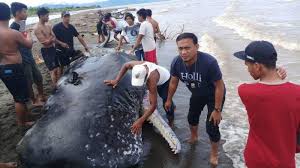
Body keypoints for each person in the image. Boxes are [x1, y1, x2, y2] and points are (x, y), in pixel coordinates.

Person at [234, 41, 300, 168]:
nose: (248, 70)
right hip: (285, 162)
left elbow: (264, 89)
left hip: (256, 160)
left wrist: (276, 73)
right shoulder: (298, 93)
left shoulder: (245, 91)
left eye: (248, 65)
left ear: (258, 66)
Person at [164, 33, 225, 166]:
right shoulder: (176, 62)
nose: (183, 52)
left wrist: (217, 109)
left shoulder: (209, 62)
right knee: (192, 117)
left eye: (187, 48)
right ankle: (194, 136)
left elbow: (219, 86)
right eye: (180, 48)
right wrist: (168, 99)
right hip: (197, 93)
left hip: (213, 94)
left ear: (196, 47)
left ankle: (214, 154)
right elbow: (173, 82)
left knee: (212, 126)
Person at [104, 61, 176, 133]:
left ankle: (171, 122)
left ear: (146, 75)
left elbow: (153, 105)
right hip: (158, 73)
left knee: (166, 103)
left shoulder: (151, 80)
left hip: (165, 80)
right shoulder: (136, 66)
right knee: (152, 96)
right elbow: (125, 66)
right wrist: (116, 80)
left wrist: (140, 121)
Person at [0, 2, 34, 126]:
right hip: (14, 68)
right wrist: (29, 35)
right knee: (20, 99)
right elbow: (29, 45)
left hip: (3, 68)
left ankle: (24, 118)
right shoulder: (12, 33)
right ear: (9, 15)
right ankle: (22, 122)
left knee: (17, 95)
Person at [10, 2, 45, 106]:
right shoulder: (14, 27)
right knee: (29, 82)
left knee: (39, 77)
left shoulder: (21, 24)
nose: (27, 14)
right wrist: (29, 36)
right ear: (17, 13)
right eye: (25, 11)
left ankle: (41, 95)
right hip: (23, 60)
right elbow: (22, 42)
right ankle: (34, 101)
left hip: (29, 57)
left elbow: (24, 39)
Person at [34, 7, 60, 88]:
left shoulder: (48, 26)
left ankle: (57, 83)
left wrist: (50, 39)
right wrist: (51, 38)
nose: (48, 18)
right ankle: (55, 86)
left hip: (52, 48)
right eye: (47, 16)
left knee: (57, 67)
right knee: (52, 70)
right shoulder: (37, 28)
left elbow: (54, 37)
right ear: (41, 16)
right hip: (46, 51)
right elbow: (45, 43)